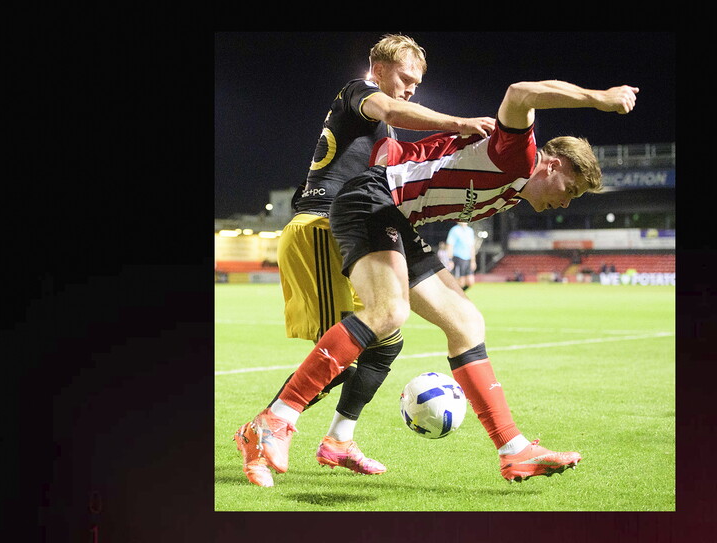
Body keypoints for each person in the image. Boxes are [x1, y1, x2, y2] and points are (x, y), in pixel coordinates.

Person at [235, 78, 639, 486]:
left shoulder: (514, 190)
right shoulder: (519, 155)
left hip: (395, 217)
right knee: (389, 312)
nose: (566, 203)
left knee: (466, 322)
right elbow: (519, 93)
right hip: (372, 200)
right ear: (552, 165)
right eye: (569, 190)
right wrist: (598, 99)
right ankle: (275, 419)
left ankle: (514, 451)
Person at [234, 34, 496, 486]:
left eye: (417, 82)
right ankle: (261, 432)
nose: (410, 88)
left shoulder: (387, 130)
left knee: (386, 339)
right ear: (376, 68)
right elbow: (394, 110)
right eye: (404, 77)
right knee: (343, 353)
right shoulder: (358, 93)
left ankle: (339, 439)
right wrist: (457, 122)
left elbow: (406, 160)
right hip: (318, 226)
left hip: (347, 231)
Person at [446, 222, 476, 290]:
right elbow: (450, 245)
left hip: (468, 258)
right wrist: (450, 260)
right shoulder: (454, 230)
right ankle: (457, 296)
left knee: (470, 282)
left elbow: (472, 246)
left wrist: (473, 261)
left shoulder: (470, 230)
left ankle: (460, 294)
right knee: (461, 282)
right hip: (458, 258)